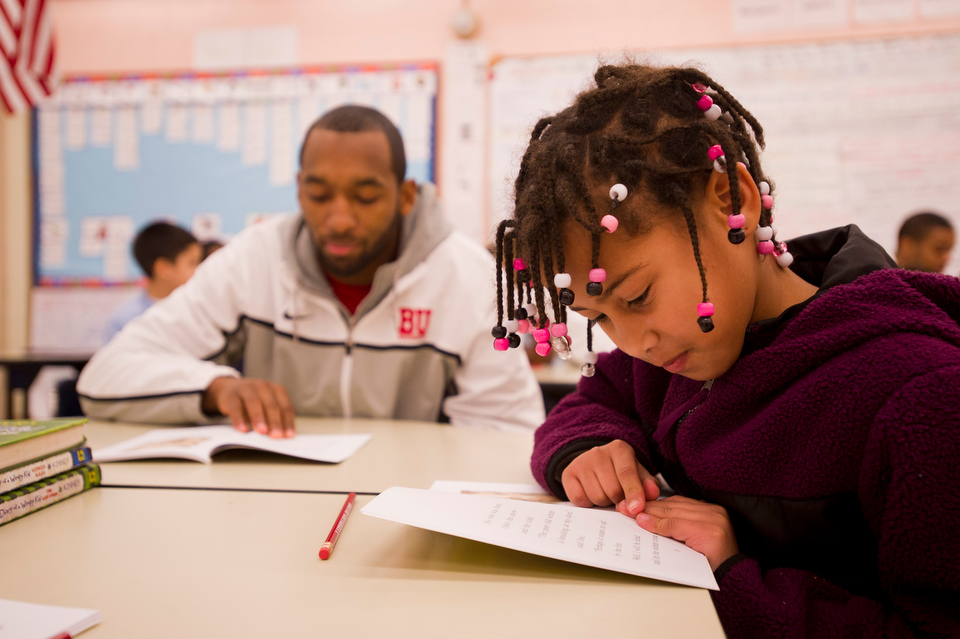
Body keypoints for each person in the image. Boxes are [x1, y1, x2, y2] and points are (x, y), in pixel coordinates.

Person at [491, 64, 959, 637]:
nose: (635, 344)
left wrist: (730, 576)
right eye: (599, 317)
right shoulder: (678, 350)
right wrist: (586, 449)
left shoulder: (920, 393)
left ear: (731, 201)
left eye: (638, 296)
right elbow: (597, 396)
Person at [77, 105, 544, 437]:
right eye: (320, 194)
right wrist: (213, 389)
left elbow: (507, 431)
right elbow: (105, 376)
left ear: (405, 197)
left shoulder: (468, 279)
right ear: (299, 189)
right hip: (271, 507)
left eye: (364, 196)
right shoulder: (253, 260)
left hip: (408, 515)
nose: (339, 218)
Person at [103, 221, 202, 343]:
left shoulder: (199, 311)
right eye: (192, 263)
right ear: (164, 269)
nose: (200, 270)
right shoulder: (126, 321)